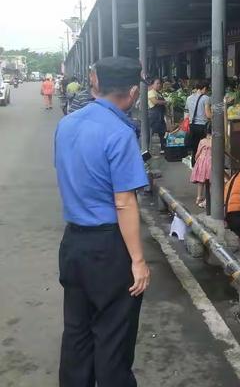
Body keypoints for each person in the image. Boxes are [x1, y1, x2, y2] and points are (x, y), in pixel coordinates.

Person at [54, 57, 150, 387]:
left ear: (95, 83)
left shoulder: (67, 124)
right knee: (112, 340)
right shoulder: (120, 133)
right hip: (108, 250)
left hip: (73, 244)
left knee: (77, 335)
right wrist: (138, 261)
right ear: (133, 91)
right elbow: (124, 203)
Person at [186, 80, 212, 166]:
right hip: (202, 126)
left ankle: (194, 164)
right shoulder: (206, 98)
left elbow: (187, 114)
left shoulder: (189, 98)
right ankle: (202, 167)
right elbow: (208, 115)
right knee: (203, 148)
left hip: (192, 125)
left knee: (195, 147)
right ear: (204, 88)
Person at [190, 122, 212, 208]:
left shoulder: (202, 141)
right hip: (211, 162)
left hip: (202, 162)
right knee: (210, 182)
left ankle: (199, 197)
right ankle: (208, 200)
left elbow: (197, 153)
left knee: (201, 181)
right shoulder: (215, 141)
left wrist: (197, 160)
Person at [148, 78, 167, 152]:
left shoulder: (158, 92)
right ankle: (146, 148)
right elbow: (155, 102)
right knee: (151, 132)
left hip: (160, 115)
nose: (159, 85)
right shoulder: (151, 92)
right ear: (152, 84)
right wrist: (166, 102)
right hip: (153, 115)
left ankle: (163, 148)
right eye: (157, 83)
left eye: (160, 83)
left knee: (162, 132)